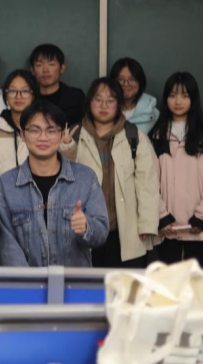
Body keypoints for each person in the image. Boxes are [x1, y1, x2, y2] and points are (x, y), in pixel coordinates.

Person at [0, 101, 108, 267]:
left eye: (51, 130)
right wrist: (28, 281)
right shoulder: (6, 185)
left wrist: (86, 227)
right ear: (23, 134)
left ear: (63, 134)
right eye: (35, 130)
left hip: (74, 281)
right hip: (26, 282)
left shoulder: (85, 178)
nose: (43, 137)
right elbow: (6, 245)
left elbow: (101, 233)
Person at [62, 77, 159, 268]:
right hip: (86, 228)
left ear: (119, 104)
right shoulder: (74, 134)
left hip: (126, 230)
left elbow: (147, 184)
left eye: (111, 100)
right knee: (89, 285)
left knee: (125, 285)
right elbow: (64, 180)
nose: (104, 105)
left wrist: (147, 224)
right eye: (98, 99)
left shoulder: (134, 136)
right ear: (89, 102)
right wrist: (66, 149)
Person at [148, 72, 203, 270]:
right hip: (167, 230)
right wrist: (162, 217)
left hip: (199, 230)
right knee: (169, 287)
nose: (178, 101)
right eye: (172, 95)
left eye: (184, 95)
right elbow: (148, 183)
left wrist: (202, 217)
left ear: (193, 98)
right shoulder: (155, 137)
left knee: (196, 286)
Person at [0, 69, 38, 177]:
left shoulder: (44, 132)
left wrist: (66, 147)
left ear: (33, 95)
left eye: (25, 91)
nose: (18, 96)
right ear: (5, 95)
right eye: (12, 91)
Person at [29, 44, 86, 128]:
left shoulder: (76, 98)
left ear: (62, 68)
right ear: (32, 70)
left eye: (51, 64)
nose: (45, 70)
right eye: (39, 65)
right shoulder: (28, 98)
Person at [109, 57, 159, 134]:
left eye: (132, 79)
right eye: (120, 79)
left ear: (140, 82)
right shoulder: (103, 110)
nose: (126, 84)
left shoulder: (154, 115)